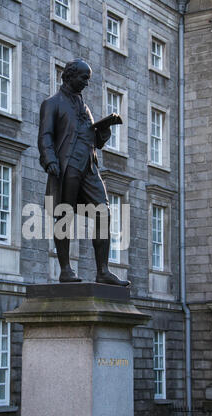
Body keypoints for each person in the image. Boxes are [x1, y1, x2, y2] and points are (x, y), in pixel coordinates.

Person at [38, 58, 130, 286]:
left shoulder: (84, 107)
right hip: (67, 167)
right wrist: (49, 159)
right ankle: (66, 270)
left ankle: (103, 271)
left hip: (89, 168)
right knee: (64, 215)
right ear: (70, 76)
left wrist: (105, 128)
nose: (87, 83)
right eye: (84, 78)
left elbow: (94, 140)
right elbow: (46, 135)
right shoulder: (52, 103)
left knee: (104, 213)